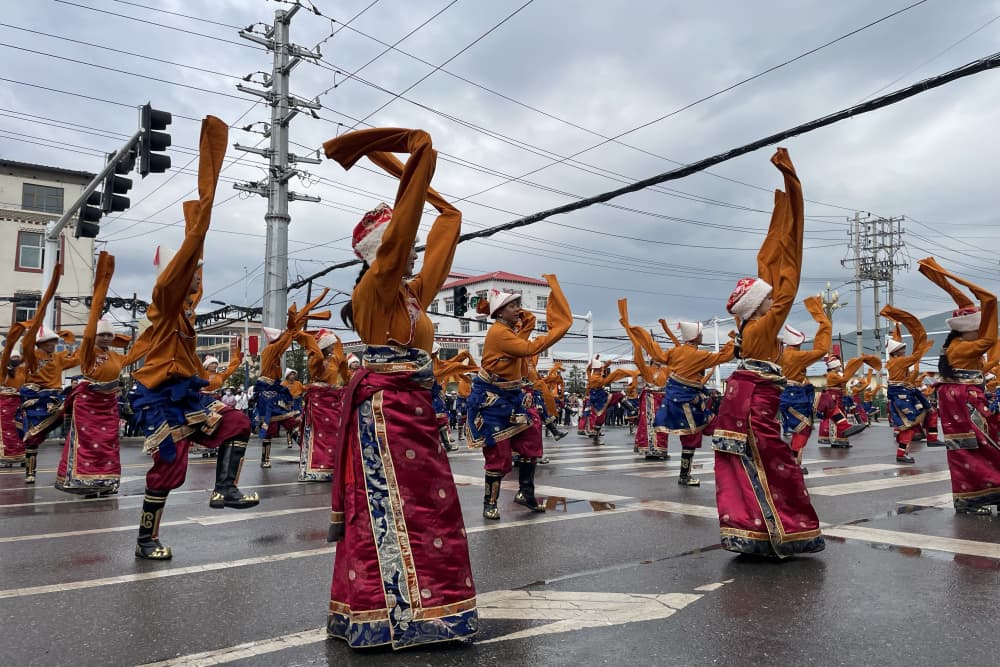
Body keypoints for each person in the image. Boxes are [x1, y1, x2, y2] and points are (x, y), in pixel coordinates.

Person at [323, 127, 478, 648]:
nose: (412, 250)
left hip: (414, 405)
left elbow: (449, 224)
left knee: (434, 508)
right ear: (380, 251)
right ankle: (392, 614)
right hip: (386, 410)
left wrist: (411, 168)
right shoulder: (375, 286)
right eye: (401, 244)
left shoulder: (411, 295)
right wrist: (416, 159)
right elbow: (402, 233)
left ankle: (432, 607)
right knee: (392, 509)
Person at [125, 117, 258, 560]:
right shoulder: (163, 307)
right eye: (191, 277)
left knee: (239, 424)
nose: (196, 285)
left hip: (188, 398)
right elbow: (177, 278)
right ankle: (146, 538)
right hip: (160, 400)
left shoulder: (187, 318)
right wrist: (195, 234)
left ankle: (224, 488)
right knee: (170, 466)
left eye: (199, 278)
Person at [710, 147, 825, 558]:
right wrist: (795, 196)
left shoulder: (751, 329)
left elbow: (768, 264)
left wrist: (784, 211)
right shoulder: (762, 324)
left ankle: (754, 529)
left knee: (750, 465)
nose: (775, 296)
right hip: (755, 399)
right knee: (775, 465)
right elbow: (786, 278)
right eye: (768, 297)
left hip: (745, 395)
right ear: (760, 305)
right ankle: (780, 531)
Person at [468, 277, 572, 518]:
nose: (518, 309)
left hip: (513, 396)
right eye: (513, 305)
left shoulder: (509, 329)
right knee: (499, 453)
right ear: (500, 312)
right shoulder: (500, 333)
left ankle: (525, 493)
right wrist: (558, 330)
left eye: (518, 305)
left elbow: (530, 320)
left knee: (531, 441)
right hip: (492, 399)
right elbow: (529, 349)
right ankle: (490, 503)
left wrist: (515, 311)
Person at [918, 256, 1000, 515]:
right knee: (979, 446)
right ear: (968, 330)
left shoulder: (955, 345)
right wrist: (988, 301)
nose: (982, 329)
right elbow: (990, 338)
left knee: (974, 447)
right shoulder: (966, 346)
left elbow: (964, 303)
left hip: (962, 397)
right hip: (965, 400)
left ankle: (978, 494)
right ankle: (977, 495)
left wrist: (943, 277)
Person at [55, 251, 128, 496]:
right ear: (95, 336)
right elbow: (86, 336)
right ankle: (83, 481)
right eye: (102, 334)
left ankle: (105, 482)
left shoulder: (117, 356)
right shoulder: (87, 352)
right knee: (87, 444)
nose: (106, 338)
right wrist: (96, 305)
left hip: (109, 403)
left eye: (109, 335)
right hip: (88, 402)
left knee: (108, 444)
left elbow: (137, 354)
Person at [654, 320, 734, 486]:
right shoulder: (698, 355)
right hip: (688, 405)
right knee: (707, 433)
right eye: (701, 333)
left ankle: (727, 464)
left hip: (685, 403)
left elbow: (689, 379)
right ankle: (688, 475)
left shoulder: (676, 352)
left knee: (712, 429)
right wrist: (735, 341)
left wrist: (705, 391)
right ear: (696, 336)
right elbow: (725, 357)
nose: (702, 336)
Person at [19, 262, 78, 484]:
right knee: (32, 439)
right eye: (49, 341)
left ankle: (74, 465)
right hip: (36, 400)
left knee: (76, 408)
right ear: (41, 343)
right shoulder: (32, 355)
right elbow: (26, 341)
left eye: (54, 341)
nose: (52, 344)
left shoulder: (60, 357)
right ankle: (30, 471)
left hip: (55, 398)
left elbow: (80, 358)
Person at [254, 302, 322, 467]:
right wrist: (292, 330)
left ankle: (307, 455)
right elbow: (283, 343)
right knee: (269, 428)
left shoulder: (275, 355)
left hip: (277, 394)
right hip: (266, 397)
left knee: (292, 423)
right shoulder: (270, 351)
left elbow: (284, 343)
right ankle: (265, 459)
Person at [777, 297, 831, 475]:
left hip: (786, 394)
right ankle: (794, 464)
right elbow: (821, 351)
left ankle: (795, 462)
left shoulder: (781, 354)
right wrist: (824, 324)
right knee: (804, 428)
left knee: (801, 428)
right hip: (796, 395)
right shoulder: (796, 356)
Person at [880, 305, 934, 464]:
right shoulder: (900, 361)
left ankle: (929, 438)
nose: (904, 350)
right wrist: (920, 339)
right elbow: (916, 356)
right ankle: (903, 453)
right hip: (901, 396)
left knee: (927, 411)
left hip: (904, 393)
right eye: (902, 348)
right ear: (896, 352)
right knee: (911, 423)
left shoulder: (895, 362)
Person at [619, 298, 672, 459]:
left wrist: (666, 329)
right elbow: (637, 354)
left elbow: (678, 350)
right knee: (650, 424)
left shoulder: (666, 369)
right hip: (650, 399)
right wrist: (629, 330)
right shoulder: (646, 369)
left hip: (663, 399)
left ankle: (661, 449)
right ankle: (650, 450)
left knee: (663, 425)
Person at [295, 328, 346, 482]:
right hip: (319, 400)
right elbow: (315, 351)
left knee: (334, 433)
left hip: (333, 400)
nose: (333, 347)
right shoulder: (315, 359)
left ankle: (332, 467)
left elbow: (343, 369)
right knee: (318, 434)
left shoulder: (335, 359)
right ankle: (314, 469)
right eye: (330, 345)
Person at [816, 353, 881, 447]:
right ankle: (836, 439)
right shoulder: (832, 375)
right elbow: (845, 379)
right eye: (839, 366)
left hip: (839, 397)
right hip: (834, 398)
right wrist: (855, 365)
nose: (840, 367)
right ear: (834, 366)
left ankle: (841, 439)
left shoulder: (834, 374)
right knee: (836, 418)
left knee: (840, 417)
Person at [0, 332, 26, 468]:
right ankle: (7, 458)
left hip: (19, 405)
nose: (15, 359)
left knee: (21, 432)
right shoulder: (3, 371)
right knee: (6, 434)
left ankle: (22, 458)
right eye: (13, 357)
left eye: (17, 357)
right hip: (5, 405)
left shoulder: (23, 371)